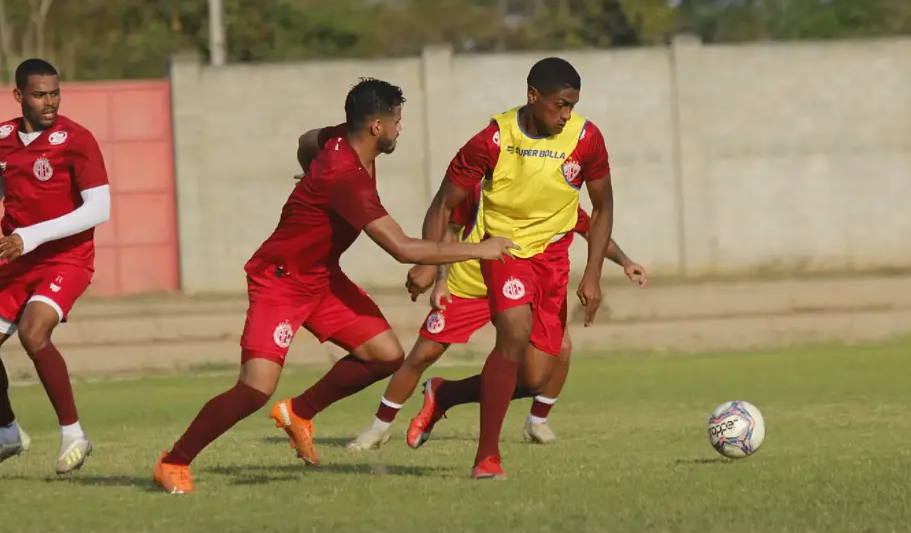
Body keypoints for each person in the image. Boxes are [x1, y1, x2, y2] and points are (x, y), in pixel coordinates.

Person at [153, 78, 516, 494]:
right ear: (377, 126)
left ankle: (299, 413)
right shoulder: (346, 178)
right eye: (397, 121)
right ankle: (174, 461)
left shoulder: (340, 138)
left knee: (385, 355)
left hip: (322, 277)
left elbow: (306, 141)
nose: (400, 129)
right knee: (255, 389)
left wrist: (309, 174)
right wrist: (479, 249)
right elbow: (401, 248)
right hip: (281, 280)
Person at [407, 57, 614, 480]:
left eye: (573, 105)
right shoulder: (493, 140)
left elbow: (603, 206)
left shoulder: (586, 138)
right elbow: (443, 204)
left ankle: (445, 393)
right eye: (560, 104)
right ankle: (487, 458)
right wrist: (428, 260)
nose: (566, 114)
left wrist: (593, 274)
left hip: (553, 260)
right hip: (505, 252)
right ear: (533, 96)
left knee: (535, 378)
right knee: (514, 332)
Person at [345, 184, 645, 452]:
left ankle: (535, 420)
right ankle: (379, 427)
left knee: (553, 357)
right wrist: (440, 279)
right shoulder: (482, 185)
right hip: (469, 284)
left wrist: (625, 261)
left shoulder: (555, 192)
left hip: (519, 288)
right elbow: (450, 228)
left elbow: (591, 229)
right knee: (424, 354)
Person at [0, 58, 111, 474]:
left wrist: (30, 236)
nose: (49, 102)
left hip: (67, 258)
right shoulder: (3, 139)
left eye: (54, 93)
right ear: (18, 96)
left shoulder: (77, 140)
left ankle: (73, 434)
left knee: (34, 332)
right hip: (16, 259)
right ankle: (7, 431)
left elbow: (99, 209)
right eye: (39, 95)